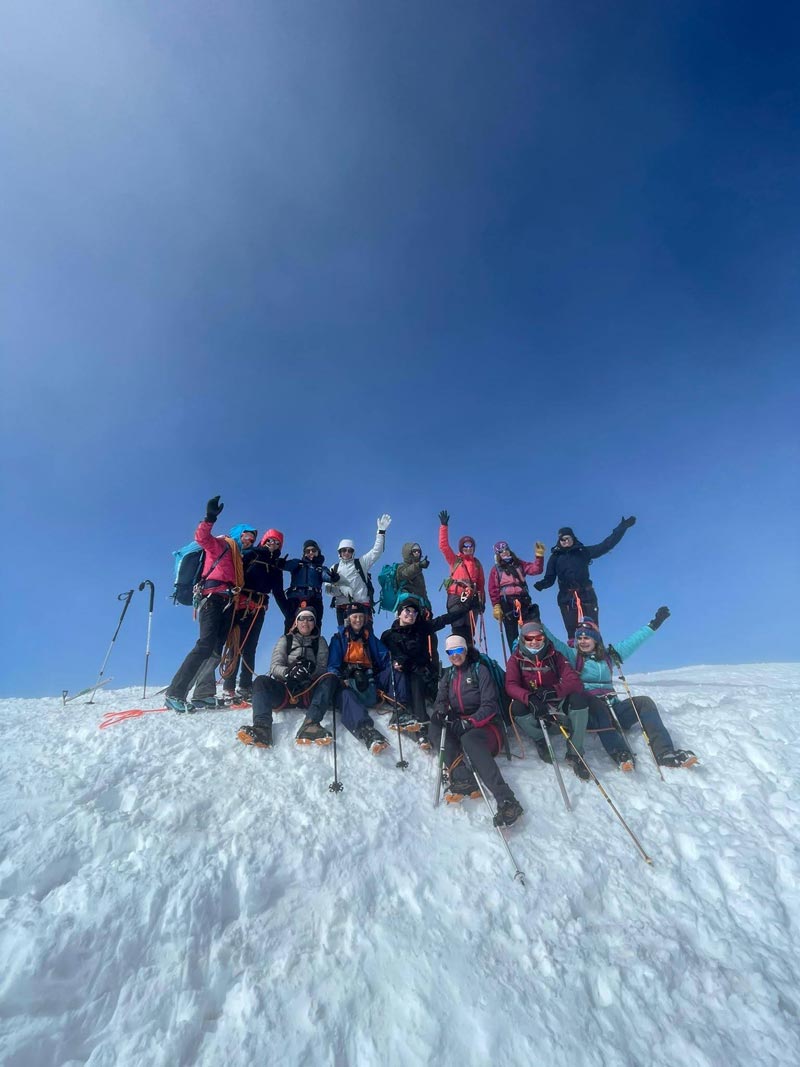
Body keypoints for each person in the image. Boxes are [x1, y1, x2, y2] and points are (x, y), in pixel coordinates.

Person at [545, 613, 697, 769]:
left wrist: (653, 625)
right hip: (590, 712)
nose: (583, 641)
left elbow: (633, 641)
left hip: (613, 708)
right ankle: (620, 754)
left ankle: (665, 753)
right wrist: (535, 623)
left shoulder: (609, 656)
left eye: (587, 638)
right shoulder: (573, 655)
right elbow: (554, 642)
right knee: (599, 709)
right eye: (580, 638)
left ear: (595, 639)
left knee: (644, 702)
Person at [429, 634, 523, 826]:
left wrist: (471, 722)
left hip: (487, 726)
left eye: (458, 650)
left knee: (469, 739)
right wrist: (442, 712)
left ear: (465, 649)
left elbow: (490, 705)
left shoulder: (480, 670)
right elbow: (440, 700)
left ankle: (507, 800)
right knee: (435, 727)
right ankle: (461, 775)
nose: (455, 655)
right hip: (461, 724)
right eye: (450, 652)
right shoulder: (449, 675)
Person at [165, 496, 244, 713]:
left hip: (228, 602)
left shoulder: (238, 560)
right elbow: (201, 537)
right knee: (205, 645)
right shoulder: (219, 545)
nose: (248, 541)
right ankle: (175, 692)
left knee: (217, 649)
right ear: (235, 537)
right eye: (245, 537)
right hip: (212, 599)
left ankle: (203, 693)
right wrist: (209, 518)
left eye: (251, 538)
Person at [504, 619, 591, 780]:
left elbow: (574, 682)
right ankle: (540, 738)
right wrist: (529, 697)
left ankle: (575, 752)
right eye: (530, 639)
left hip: (556, 703)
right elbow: (511, 685)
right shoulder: (516, 659)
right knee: (517, 707)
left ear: (544, 638)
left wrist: (553, 691)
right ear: (523, 639)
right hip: (534, 706)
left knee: (579, 700)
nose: (535, 642)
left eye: (539, 638)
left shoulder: (555, 655)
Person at [237, 606, 335, 748]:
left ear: (314, 623)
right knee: (260, 681)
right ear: (296, 622)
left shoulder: (320, 642)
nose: (305, 622)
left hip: (309, 691)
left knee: (330, 678)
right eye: (302, 618)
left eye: (310, 619)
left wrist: (309, 671)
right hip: (286, 690)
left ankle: (311, 723)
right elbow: (275, 666)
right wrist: (288, 672)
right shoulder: (286, 640)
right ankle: (262, 728)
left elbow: (322, 667)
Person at [379, 596, 469, 741]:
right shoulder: (389, 635)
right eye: (407, 611)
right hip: (406, 676)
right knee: (417, 682)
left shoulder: (420, 629)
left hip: (426, 673)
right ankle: (422, 728)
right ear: (399, 613)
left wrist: (465, 609)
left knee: (441, 691)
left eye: (414, 612)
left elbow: (443, 620)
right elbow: (395, 657)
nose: (411, 614)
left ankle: (459, 722)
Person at [534, 517, 636, 639]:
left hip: (586, 595)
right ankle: (575, 655)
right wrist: (542, 584)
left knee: (592, 630)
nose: (565, 541)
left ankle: (597, 655)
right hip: (567, 598)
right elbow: (549, 578)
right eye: (562, 539)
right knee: (573, 633)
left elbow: (606, 545)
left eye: (567, 538)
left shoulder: (583, 551)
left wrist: (621, 528)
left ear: (573, 538)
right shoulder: (555, 557)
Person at [222, 526, 290, 706]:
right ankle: (229, 687)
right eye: (270, 540)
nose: (273, 544)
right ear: (264, 541)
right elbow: (236, 574)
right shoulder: (252, 554)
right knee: (236, 643)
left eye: (277, 542)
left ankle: (244, 686)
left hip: (258, 607)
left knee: (250, 647)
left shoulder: (276, 566)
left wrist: (289, 615)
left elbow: (279, 593)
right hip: (241, 603)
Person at [327, 604, 392, 754]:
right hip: (349, 684)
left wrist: (394, 663)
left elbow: (384, 657)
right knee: (345, 695)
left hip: (369, 682)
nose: (358, 620)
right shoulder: (338, 639)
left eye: (361, 617)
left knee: (393, 672)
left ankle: (401, 710)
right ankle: (366, 731)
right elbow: (332, 666)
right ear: (348, 619)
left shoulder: (369, 638)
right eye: (354, 616)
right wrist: (340, 679)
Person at [325, 515, 392, 624]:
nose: (346, 553)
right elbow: (328, 590)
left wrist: (381, 532)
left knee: (366, 637)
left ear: (353, 552)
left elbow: (376, 552)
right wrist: (341, 589)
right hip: (343, 608)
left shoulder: (361, 563)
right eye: (343, 550)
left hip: (362, 606)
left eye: (349, 550)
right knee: (344, 638)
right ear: (339, 552)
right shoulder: (334, 568)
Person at [437, 510, 486, 646]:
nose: (468, 548)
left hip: (472, 598)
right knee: (458, 629)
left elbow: (481, 584)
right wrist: (444, 527)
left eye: (471, 546)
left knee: (470, 631)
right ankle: (457, 655)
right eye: (465, 545)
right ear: (461, 547)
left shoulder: (477, 563)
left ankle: (470, 655)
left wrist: (482, 602)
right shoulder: (455, 560)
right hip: (456, 597)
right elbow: (444, 546)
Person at [488, 540, 546, 646]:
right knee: (512, 635)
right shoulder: (496, 569)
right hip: (506, 603)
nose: (504, 552)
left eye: (506, 549)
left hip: (523, 600)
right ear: (498, 554)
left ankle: (535, 651)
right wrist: (496, 605)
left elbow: (536, 570)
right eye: (501, 551)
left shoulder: (519, 564)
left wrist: (539, 556)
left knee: (531, 629)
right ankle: (516, 656)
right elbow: (493, 588)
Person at [280, 539, 335, 632]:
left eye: (313, 550)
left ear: (318, 552)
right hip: (295, 600)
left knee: (315, 627)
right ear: (304, 553)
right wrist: (281, 563)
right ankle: (289, 644)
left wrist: (333, 577)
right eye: (307, 551)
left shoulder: (320, 568)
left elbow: (326, 576)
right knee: (291, 626)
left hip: (314, 600)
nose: (311, 553)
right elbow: (287, 565)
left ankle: (314, 645)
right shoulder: (298, 564)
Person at [394, 541, 432, 612]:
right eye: (414, 551)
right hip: (407, 606)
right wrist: (419, 565)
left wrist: (428, 607)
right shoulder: (402, 567)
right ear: (408, 553)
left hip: (420, 606)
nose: (417, 553)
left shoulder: (418, 571)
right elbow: (405, 574)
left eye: (419, 551)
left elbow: (422, 591)